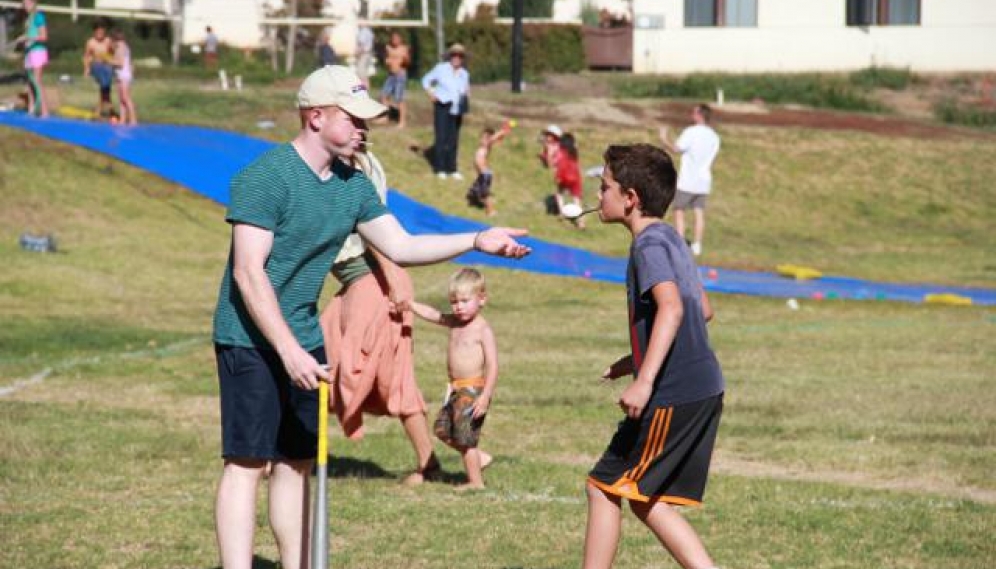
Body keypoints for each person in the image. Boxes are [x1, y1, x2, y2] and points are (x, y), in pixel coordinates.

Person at [211, 64, 529, 569]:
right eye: (354, 118)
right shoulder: (263, 178)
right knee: (247, 463)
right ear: (315, 116)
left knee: (294, 464)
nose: (365, 128)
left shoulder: (353, 186)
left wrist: (476, 238)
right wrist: (288, 350)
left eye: (368, 120)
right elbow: (250, 275)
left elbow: (400, 246)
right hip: (248, 338)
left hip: (302, 337)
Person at [583, 143, 724, 569]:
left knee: (605, 486)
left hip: (672, 393)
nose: (597, 196)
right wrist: (635, 360)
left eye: (604, 187)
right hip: (701, 389)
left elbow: (675, 308)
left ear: (630, 198)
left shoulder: (647, 246)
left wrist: (644, 380)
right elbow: (703, 309)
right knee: (644, 497)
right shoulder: (671, 238)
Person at [318, 137, 439, 487]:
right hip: (359, 285)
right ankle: (280, 455)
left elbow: (373, 228)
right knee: (317, 363)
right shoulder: (331, 164)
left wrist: (394, 280)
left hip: (376, 283)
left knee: (388, 376)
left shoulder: (353, 167)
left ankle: (429, 464)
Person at [408, 268, 497, 490]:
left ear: (482, 299)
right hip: (456, 389)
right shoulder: (455, 322)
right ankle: (480, 459)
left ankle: (476, 483)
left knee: (465, 439)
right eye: (454, 302)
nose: (459, 307)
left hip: (473, 390)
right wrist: (410, 304)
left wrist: (485, 397)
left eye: (465, 301)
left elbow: (493, 365)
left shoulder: (482, 329)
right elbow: (432, 314)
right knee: (442, 430)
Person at [658, 104, 721, 257]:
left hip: (688, 180)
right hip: (704, 180)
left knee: (679, 210)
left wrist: (663, 138)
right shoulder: (714, 136)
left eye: (694, 112)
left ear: (700, 115)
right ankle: (697, 244)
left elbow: (676, 149)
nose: (691, 114)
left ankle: (680, 244)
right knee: (699, 212)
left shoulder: (691, 132)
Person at [421, 43, 470, 180]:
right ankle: (440, 168)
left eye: (459, 56)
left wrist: (466, 96)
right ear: (450, 56)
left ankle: (452, 168)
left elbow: (465, 89)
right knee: (441, 137)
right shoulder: (441, 69)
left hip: (457, 107)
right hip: (442, 105)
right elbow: (425, 80)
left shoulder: (464, 74)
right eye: (454, 55)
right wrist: (431, 94)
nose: (456, 58)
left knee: (453, 138)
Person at [466, 123, 511, 216]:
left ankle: (490, 211)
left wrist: (502, 131)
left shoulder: (486, 146)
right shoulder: (482, 147)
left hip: (485, 174)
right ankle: (474, 202)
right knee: (475, 189)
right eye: (481, 137)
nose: (482, 139)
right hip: (482, 174)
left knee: (485, 194)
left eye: (485, 138)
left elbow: (493, 139)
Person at [19, 0, 48, 117]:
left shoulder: (38, 16)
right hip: (29, 52)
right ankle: (31, 109)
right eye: (24, 4)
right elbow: (29, 35)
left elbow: (44, 36)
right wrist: (24, 38)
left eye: (28, 3)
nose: (26, 6)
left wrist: (29, 38)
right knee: (30, 81)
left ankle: (45, 111)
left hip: (38, 51)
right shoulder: (28, 19)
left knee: (37, 81)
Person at [83, 21, 115, 118]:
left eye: (102, 32)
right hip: (96, 65)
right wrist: (86, 68)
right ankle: (108, 105)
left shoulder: (108, 41)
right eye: (98, 32)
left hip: (107, 64)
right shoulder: (90, 42)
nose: (100, 35)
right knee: (104, 82)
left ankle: (102, 107)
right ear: (95, 32)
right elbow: (87, 56)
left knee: (107, 78)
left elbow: (113, 54)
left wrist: (109, 53)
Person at [380, 31, 410, 128]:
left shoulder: (403, 49)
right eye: (393, 39)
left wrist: (405, 60)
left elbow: (408, 62)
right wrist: (387, 61)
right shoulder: (388, 48)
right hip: (391, 75)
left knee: (399, 98)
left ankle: (402, 121)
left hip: (400, 76)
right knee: (384, 95)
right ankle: (385, 117)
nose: (395, 41)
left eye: (397, 38)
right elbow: (386, 60)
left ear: (400, 39)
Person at [555, 132, 585, 228]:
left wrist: (558, 177)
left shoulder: (561, 151)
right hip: (575, 177)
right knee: (577, 200)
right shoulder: (574, 151)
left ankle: (562, 213)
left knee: (559, 194)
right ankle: (581, 222)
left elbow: (561, 165)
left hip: (564, 176)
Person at [111, 29, 138, 125]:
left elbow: (120, 63)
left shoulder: (121, 47)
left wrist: (109, 61)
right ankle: (122, 119)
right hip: (121, 75)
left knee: (126, 98)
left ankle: (133, 119)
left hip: (124, 75)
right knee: (121, 99)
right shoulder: (123, 47)